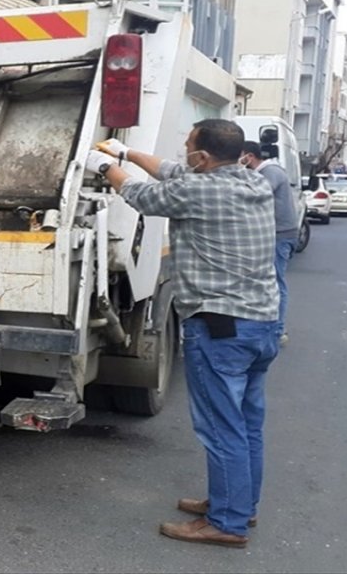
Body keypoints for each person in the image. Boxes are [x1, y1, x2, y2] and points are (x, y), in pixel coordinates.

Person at [88, 120, 279, 548]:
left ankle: (226, 523)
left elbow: (141, 195)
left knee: (221, 427)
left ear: (203, 157)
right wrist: (126, 153)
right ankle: (238, 507)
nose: (183, 150)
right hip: (260, 325)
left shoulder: (200, 191)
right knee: (246, 425)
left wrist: (102, 168)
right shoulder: (253, 181)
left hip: (221, 327)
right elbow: (172, 171)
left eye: (188, 144)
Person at [239, 140, 298, 341]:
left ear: (249, 156)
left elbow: (253, 195)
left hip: (279, 236)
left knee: (275, 283)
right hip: (280, 234)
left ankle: (277, 330)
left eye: (240, 157)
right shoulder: (268, 171)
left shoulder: (270, 172)